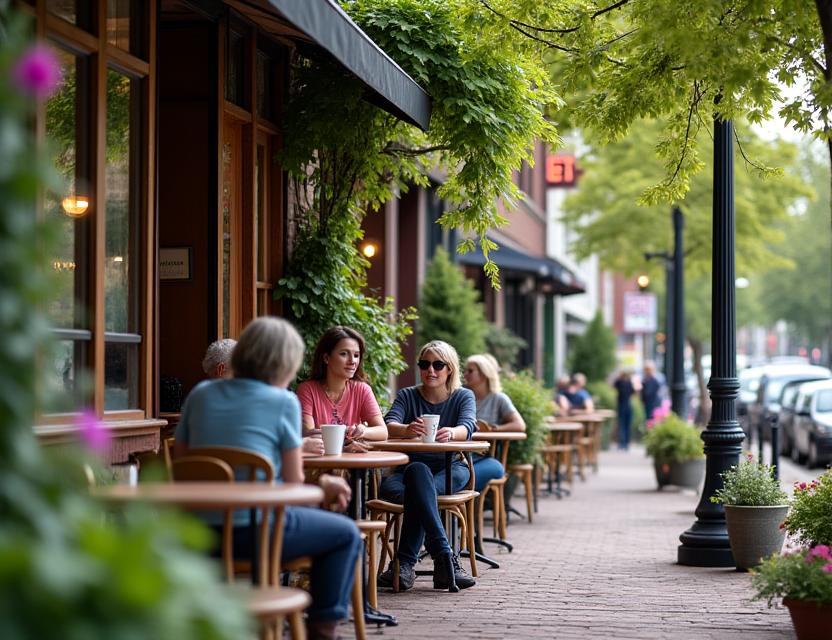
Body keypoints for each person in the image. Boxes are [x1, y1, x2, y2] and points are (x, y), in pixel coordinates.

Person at [175, 317, 362, 640]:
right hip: (257, 533)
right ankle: (321, 630)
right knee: (346, 534)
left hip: (198, 534)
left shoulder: (201, 394)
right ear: (285, 362)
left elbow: (182, 464)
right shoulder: (283, 402)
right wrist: (324, 485)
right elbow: (292, 485)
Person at [377, 340, 477, 591]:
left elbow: (468, 426)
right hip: (408, 471)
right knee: (419, 478)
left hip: (451, 468)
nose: (430, 370)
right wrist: (406, 429)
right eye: (424, 364)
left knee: (421, 494)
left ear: (449, 369)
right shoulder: (408, 395)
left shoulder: (463, 395)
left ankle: (404, 565)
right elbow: (389, 424)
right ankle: (445, 556)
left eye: (438, 364)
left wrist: (451, 433)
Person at [296, 326, 387, 453]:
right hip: (317, 466)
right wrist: (344, 447)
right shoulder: (307, 390)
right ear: (326, 358)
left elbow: (383, 431)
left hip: (351, 466)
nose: (352, 361)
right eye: (344, 354)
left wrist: (363, 431)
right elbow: (309, 434)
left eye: (356, 355)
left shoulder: (362, 390)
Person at [463, 354, 526, 493]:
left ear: (484, 374)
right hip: (459, 455)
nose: (465, 374)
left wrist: (494, 429)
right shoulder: (462, 397)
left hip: (481, 456)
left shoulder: (498, 398)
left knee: (461, 477)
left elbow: (520, 425)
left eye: (470, 371)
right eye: (465, 370)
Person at [613, 370, 635, 449]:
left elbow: (614, 385)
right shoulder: (629, 383)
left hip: (621, 405)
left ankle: (622, 443)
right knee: (627, 425)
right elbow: (633, 392)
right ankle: (626, 443)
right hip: (628, 405)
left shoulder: (619, 382)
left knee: (622, 424)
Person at [641, 361, 665, 425]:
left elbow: (647, 393)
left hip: (653, 403)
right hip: (649, 403)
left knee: (652, 420)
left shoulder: (653, 380)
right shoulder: (646, 380)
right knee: (650, 420)